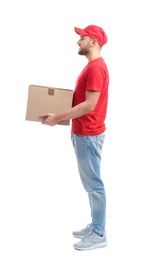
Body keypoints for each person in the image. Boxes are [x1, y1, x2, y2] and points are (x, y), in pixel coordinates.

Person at [40, 24, 109, 251]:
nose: (78, 42)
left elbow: (89, 105)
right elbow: (82, 100)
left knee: (94, 185)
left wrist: (58, 116)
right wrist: (55, 105)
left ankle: (99, 233)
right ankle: (95, 225)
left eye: (82, 38)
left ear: (94, 42)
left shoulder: (96, 68)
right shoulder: (91, 67)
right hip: (83, 133)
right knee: (90, 185)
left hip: (88, 135)